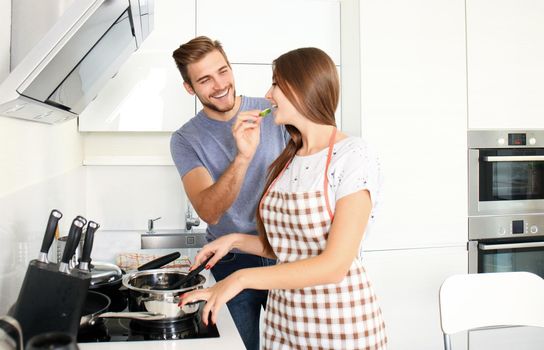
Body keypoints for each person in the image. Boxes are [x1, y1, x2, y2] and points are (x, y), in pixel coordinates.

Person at [179, 47, 388, 349]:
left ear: (301, 88)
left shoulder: (353, 155)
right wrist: (234, 240)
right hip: (286, 324)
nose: (268, 93)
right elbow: (291, 246)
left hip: (339, 325)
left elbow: (334, 265)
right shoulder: (289, 157)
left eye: (275, 83)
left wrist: (238, 279)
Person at [170, 36, 288, 350]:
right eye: (205, 80)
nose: (220, 85)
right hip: (230, 262)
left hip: (282, 255)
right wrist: (242, 157)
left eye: (223, 71)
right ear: (189, 88)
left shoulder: (273, 111)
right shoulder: (185, 139)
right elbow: (209, 211)